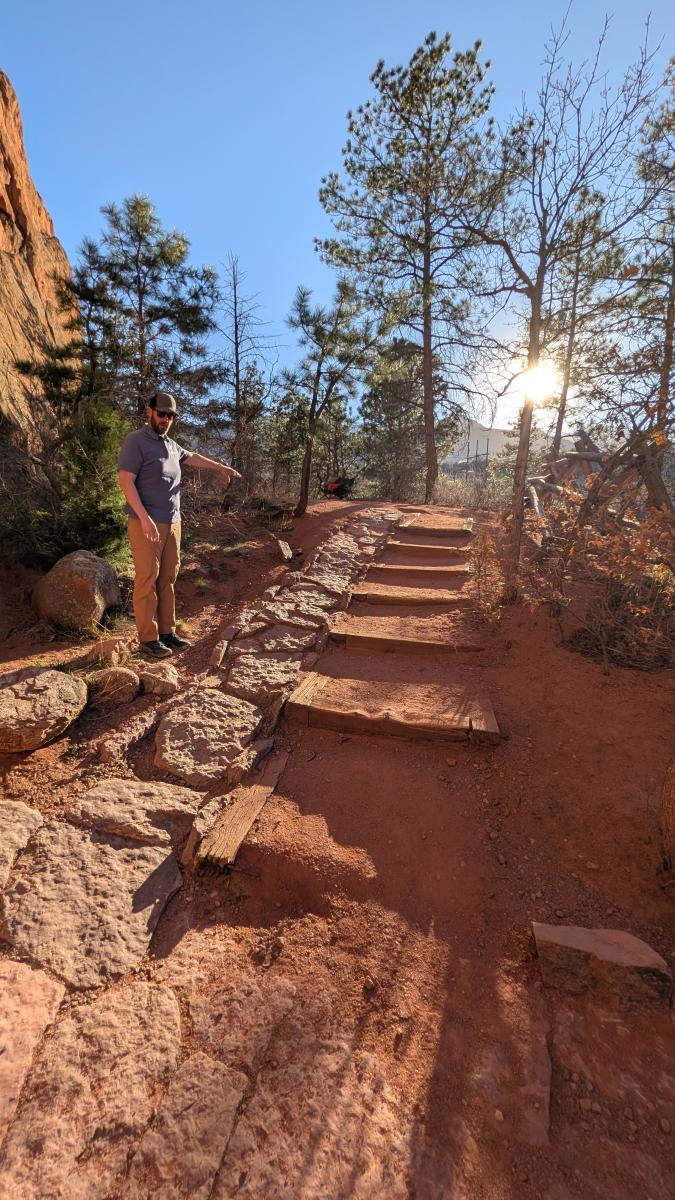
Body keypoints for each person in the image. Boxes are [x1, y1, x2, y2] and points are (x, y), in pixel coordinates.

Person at [117, 390, 241, 658]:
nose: (166, 419)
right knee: (147, 578)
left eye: (170, 416)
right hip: (146, 523)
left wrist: (220, 467)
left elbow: (192, 457)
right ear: (149, 411)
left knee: (168, 578)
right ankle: (147, 639)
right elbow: (126, 481)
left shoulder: (170, 444)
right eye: (161, 414)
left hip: (173, 522)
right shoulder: (136, 442)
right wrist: (144, 517)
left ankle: (167, 632)